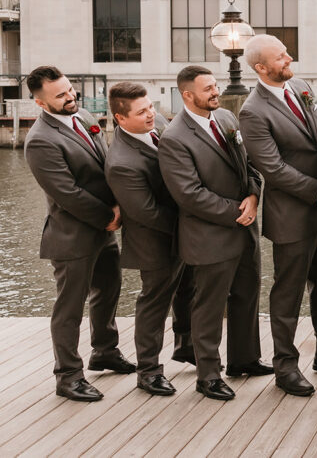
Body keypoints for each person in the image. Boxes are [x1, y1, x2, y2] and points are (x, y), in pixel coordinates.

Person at [24, 66, 134, 402]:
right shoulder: (40, 141)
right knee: (69, 309)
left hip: (104, 230)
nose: (71, 97)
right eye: (60, 95)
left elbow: (105, 163)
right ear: (41, 104)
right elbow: (67, 193)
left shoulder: (84, 115)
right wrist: (108, 216)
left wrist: (120, 205)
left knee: (108, 292)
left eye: (70, 89)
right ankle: (68, 376)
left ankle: (104, 352)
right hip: (73, 236)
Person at [158, 65, 269, 401]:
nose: (215, 91)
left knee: (247, 293)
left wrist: (253, 195)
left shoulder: (225, 119)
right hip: (210, 235)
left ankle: (244, 358)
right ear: (187, 95)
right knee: (208, 305)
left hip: (245, 228)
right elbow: (189, 194)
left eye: (215, 85)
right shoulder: (174, 138)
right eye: (207, 88)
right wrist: (237, 212)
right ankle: (208, 376)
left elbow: (249, 164)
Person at [238, 35, 317, 397]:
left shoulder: (302, 86)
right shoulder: (252, 111)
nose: (289, 58)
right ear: (262, 68)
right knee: (288, 292)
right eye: (281, 56)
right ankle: (285, 367)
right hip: (293, 214)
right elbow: (273, 169)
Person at [105, 82, 196, 396]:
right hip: (154, 241)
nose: (151, 114)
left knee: (188, 291)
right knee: (154, 304)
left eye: (151, 107)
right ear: (120, 118)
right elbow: (147, 213)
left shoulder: (157, 124)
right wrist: (194, 223)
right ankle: (148, 371)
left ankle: (186, 346)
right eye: (142, 111)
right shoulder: (121, 163)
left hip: (182, 234)